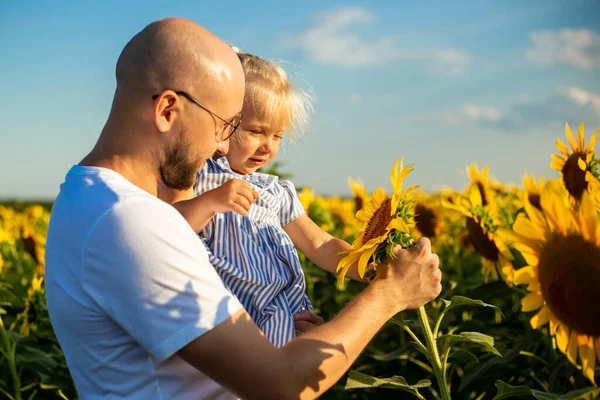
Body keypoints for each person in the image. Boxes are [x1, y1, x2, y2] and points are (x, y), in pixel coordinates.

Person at [45, 17, 442, 399]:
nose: (222, 147)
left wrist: (288, 341)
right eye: (225, 125)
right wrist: (390, 294)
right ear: (167, 110)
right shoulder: (130, 222)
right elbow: (279, 386)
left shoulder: (88, 201)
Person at [161, 51, 365, 347]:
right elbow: (169, 230)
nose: (268, 146)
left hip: (287, 319)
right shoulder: (198, 176)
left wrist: (368, 266)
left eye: (278, 136)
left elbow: (320, 244)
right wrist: (210, 202)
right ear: (224, 122)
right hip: (233, 326)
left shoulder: (277, 192)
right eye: (256, 131)